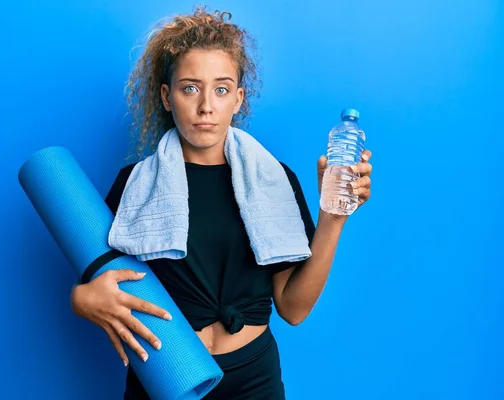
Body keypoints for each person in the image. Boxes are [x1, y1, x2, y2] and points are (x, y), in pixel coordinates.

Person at [70, 6, 373, 399]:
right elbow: (97, 277)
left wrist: (333, 218)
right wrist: (81, 299)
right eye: (190, 88)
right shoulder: (134, 186)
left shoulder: (274, 181)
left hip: (254, 379)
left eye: (222, 89)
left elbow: (294, 309)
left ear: (238, 98)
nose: (206, 107)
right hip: (166, 375)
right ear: (166, 96)